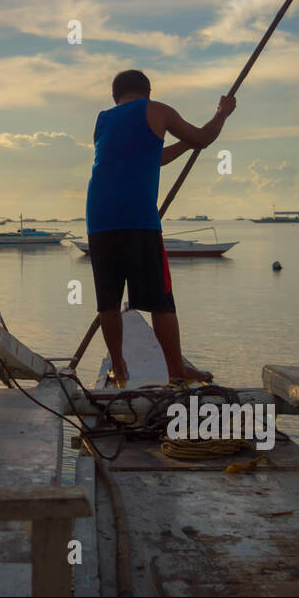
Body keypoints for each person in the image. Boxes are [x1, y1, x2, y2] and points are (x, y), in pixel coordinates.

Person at [85, 69, 235, 386]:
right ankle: (176, 374)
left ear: (116, 96)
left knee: (108, 301)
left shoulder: (103, 120)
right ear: (148, 91)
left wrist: (185, 147)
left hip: (99, 220)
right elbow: (204, 136)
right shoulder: (158, 110)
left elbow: (152, 157)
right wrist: (222, 113)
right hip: (138, 219)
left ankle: (120, 369)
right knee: (160, 301)